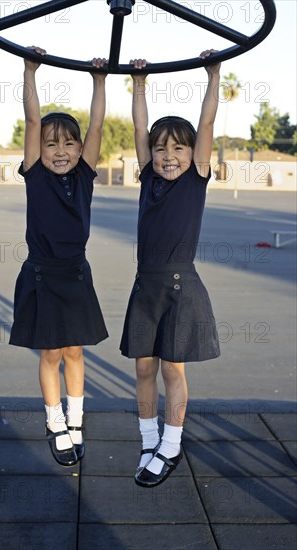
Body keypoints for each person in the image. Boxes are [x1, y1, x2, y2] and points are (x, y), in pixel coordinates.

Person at [120, 50, 221, 487]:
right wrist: (139, 83)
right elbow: (141, 126)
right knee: (144, 368)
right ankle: (148, 437)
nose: (168, 156)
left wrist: (213, 75)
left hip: (181, 287)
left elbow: (209, 122)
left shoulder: (196, 175)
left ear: (192, 153)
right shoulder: (149, 178)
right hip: (146, 286)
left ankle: (172, 444)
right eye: (161, 150)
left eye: (178, 148)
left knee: (171, 369)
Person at [9, 46, 108, 467]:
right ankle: (54, 421)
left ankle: (76, 418)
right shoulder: (35, 174)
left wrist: (99, 80)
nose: (61, 150)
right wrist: (30, 71)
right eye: (52, 145)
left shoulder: (84, 174)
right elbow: (34, 119)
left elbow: (97, 123)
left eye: (69, 142)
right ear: (39, 150)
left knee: (75, 353)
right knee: (50, 354)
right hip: (42, 274)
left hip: (76, 274)